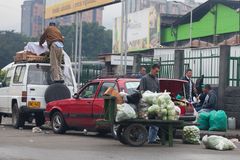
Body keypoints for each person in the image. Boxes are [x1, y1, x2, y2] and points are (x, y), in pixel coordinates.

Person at [139, 64, 160, 144]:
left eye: (158, 71)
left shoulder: (157, 80)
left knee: (155, 122)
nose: (157, 73)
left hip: (154, 105)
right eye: (156, 71)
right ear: (152, 69)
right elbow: (141, 91)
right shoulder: (144, 78)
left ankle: (152, 139)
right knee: (143, 122)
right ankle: (140, 139)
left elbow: (158, 92)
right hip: (145, 104)